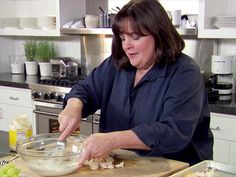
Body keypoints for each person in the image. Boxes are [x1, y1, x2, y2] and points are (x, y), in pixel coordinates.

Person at [58, 0, 213, 166]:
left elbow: (172, 132)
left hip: (177, 169)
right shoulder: (116, 65)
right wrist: (74, 106)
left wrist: (113, 140)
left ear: (159, 34)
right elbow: (86, 89)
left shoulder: (184, 72)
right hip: (123, 166)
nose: (127, 46)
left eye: (135, 37)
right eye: (123, 38)